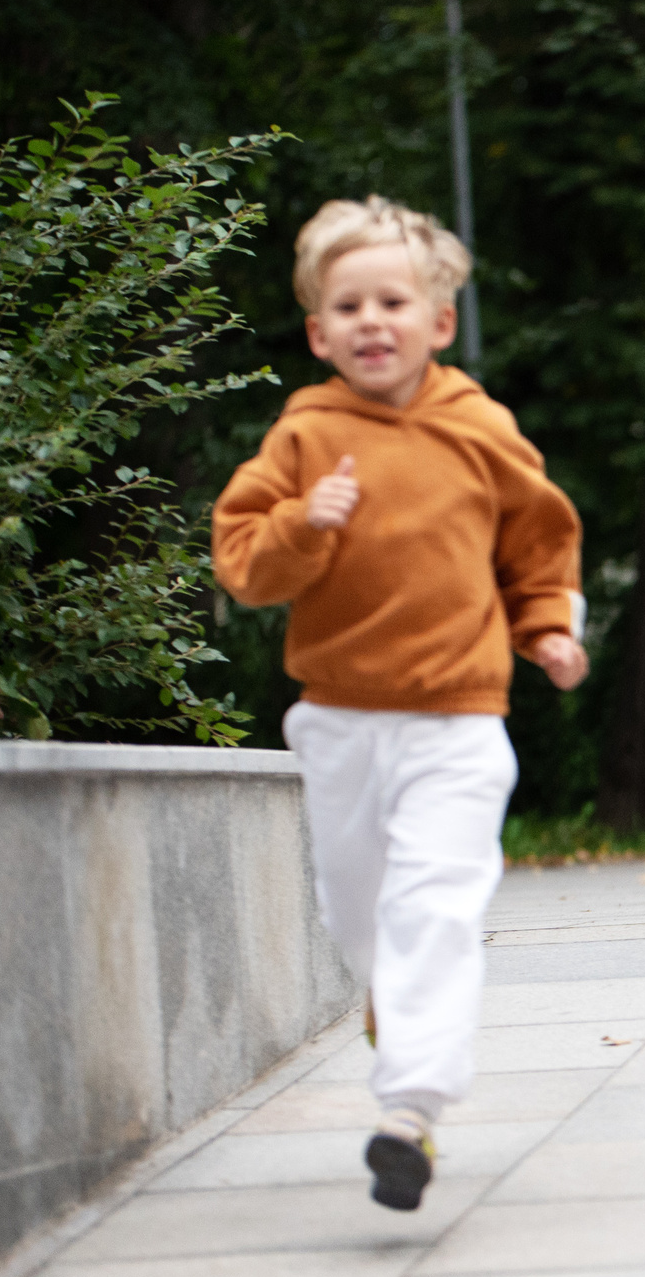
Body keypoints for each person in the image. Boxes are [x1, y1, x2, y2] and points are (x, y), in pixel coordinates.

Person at [213, 196, 586, 1211]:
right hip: (337, 717)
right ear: (318, 332)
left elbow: (538, 539)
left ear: (438, 321)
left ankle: (407, 1111)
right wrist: (302, 524)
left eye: (392, 300)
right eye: (349, 305)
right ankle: (398, 1018)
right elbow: (244, 563)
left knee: (433, 906)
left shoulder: (479, 428)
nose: (372, 320)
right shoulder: (304, 433)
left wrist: (549, 624)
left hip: (460, 717)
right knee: (359, 912)